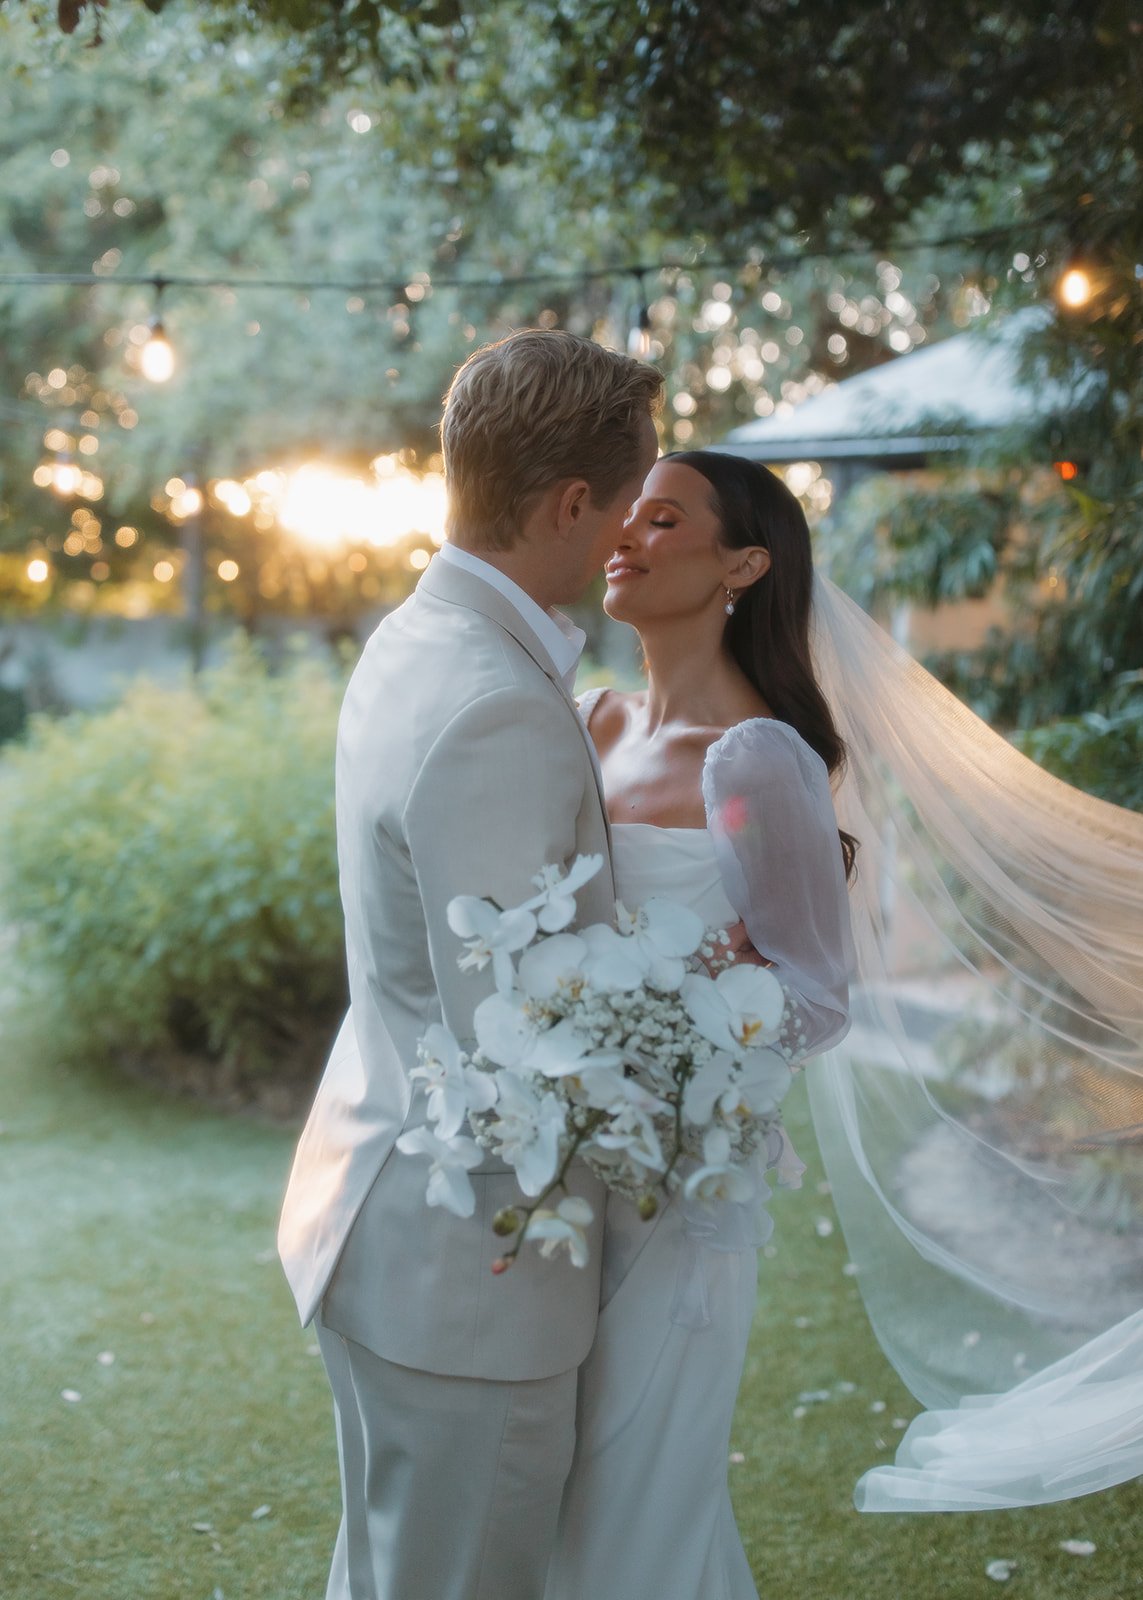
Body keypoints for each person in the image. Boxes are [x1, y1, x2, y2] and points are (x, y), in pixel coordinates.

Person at [276, 328, 662, 1600]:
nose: (623, 539)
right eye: (621, 507)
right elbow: (522, 1036)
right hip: (469, 1279)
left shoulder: (412, 638)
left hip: (382, 1224)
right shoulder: (497, 701)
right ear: (567, 504)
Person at [541, 449, 856, 1600]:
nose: (623, 534)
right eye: (622, 513)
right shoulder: (582, 720)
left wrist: (699, 1029)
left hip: (680, 1189)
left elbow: (821, 991)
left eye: (662, 518)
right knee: (550, 1485)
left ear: (745, 564)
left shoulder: (756, 762)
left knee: (639, 1498)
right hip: (553, 1164)